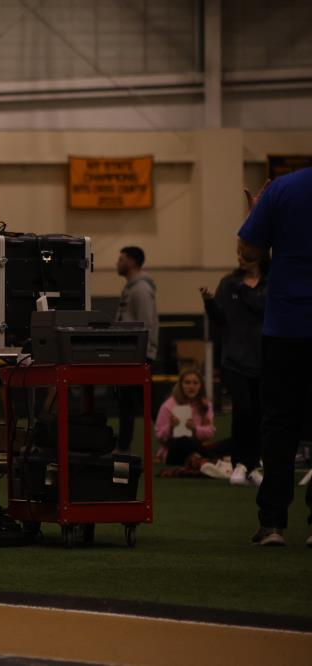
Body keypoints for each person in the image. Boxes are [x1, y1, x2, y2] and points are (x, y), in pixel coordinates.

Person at [237, 168, 312, 547]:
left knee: (279, 425)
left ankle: (272, 524)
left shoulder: (284, 188)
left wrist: (256, 212)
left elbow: (249, 251)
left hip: (287, 326)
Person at [200, 248, 268, 487]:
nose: (239, 257)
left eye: (245, 253)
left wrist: (246, 291)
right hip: (234, 361)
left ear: (259, 256)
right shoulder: (228, 284)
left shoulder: (269, 285)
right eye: (238, 253)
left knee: (259, 414)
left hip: (263, 359)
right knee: (243, 410)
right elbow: (220, 319)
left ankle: (252, 465)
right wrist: (209, 302)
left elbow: (264, 309)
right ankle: (239, 463)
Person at [115, 246, 158, 453]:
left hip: (139, 355)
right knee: (129, 403)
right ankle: (123, 446)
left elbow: (146, 323)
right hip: (130, 354)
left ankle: (175, 444)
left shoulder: (141, 290)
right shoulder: (131, 288)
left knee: (148, 403)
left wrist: (144, 355)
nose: (117, 263)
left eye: (121, 259)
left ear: (132, 262)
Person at [154, 368, 219, 473]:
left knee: (233, 441)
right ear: (181, 385)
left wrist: (195, 429)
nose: (191, 387)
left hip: (198, 446)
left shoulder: (205, 404)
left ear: (200, 386)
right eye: (187, 383)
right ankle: (210, 458)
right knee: (183, 440)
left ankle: (200, 458)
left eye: (195, 383)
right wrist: (171, 428)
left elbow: (210, 432)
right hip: (175, 450)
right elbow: (159, 435)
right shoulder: (168, 405)